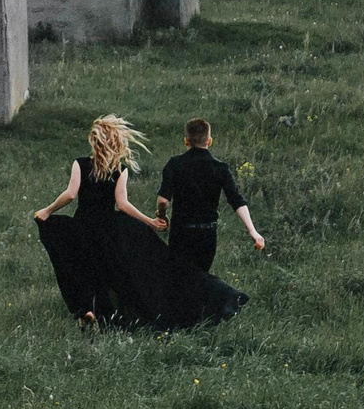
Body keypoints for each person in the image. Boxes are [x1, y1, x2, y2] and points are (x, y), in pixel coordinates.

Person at [33, 115, 171, 326]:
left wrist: (47, 210)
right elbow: (122, 204)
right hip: (108, 229)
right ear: (115, 141)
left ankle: (87, 310)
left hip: (82, 226)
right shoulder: (120, 170)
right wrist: (149, 222)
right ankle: (108, 316)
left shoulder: (80, 164)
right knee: (107, 272)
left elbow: (70, 195)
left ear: (93, 141)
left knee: (81, 269)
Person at [154, 118, 264, 328]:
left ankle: (229, 296)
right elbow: (237, 200)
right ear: (210, 141)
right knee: (196, 277)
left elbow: (163, 200)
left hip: (182, 233)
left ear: (186, 141)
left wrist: (161, 215)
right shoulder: (220, 168)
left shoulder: (175, 164)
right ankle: (195, 322)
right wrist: (253, 231)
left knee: (184, 278)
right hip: (207, 235)